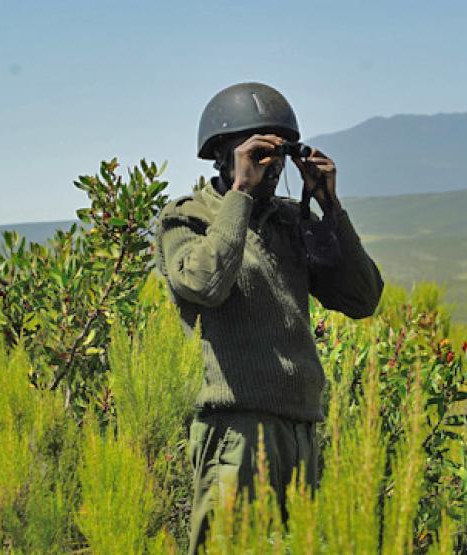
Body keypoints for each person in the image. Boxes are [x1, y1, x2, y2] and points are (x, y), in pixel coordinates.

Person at [153, 82, 384, 553]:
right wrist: (239, 193)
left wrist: (329, 206)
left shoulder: (288, 221)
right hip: (236, 434)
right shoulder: (189, 218)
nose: (270, 166)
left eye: (278, 153)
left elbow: (362, 298)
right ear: (223, 154)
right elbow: (204, 285)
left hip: (299, 433)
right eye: (257, 152)